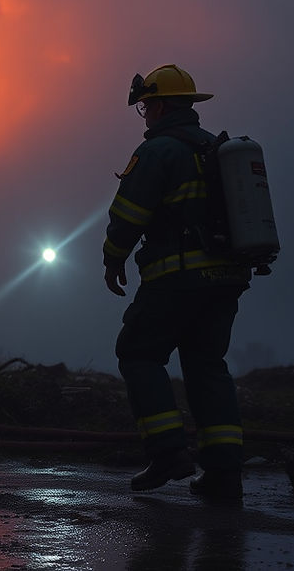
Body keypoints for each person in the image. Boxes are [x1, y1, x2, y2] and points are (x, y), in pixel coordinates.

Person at [102, 64, 251, 503]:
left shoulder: (158, 151)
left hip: (176, 276)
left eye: (146, 105)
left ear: (162, 105)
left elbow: (129, 213)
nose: (145, 114)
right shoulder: (219, 150)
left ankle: (168, 453)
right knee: (207, 365)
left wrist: (113, 259)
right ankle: (224, 474)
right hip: (226, 279)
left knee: (138, 352)